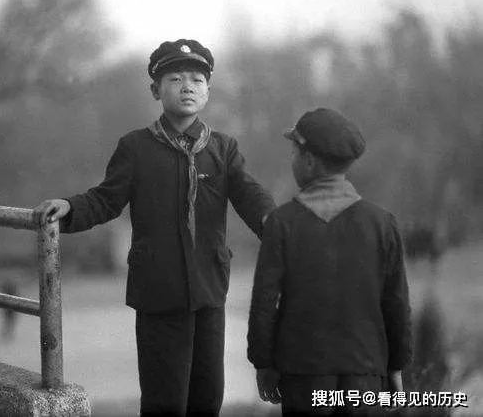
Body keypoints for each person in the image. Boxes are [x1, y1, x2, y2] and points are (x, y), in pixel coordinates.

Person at [33, 39, 276, 416]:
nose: (187, 87)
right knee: (164, 400)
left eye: (197, 79)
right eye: (175, 79)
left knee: (207, 396)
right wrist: (70, 208)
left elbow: (249, 194)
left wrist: (273, 223)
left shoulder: (222, 148)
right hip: (158, 290)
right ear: (155, 90)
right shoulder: (136, 148)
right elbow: (106, 199)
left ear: (208, 91)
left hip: (209, 288)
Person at [247, 108, 412, 416]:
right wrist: (396, 365)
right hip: (365, 370)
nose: (292, 160)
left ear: (309, 161)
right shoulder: (382, 224)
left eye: (294, 153)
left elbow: (264, 303)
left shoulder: (282, 223)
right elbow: (396, 303)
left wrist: (264, 363)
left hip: (302, 374)